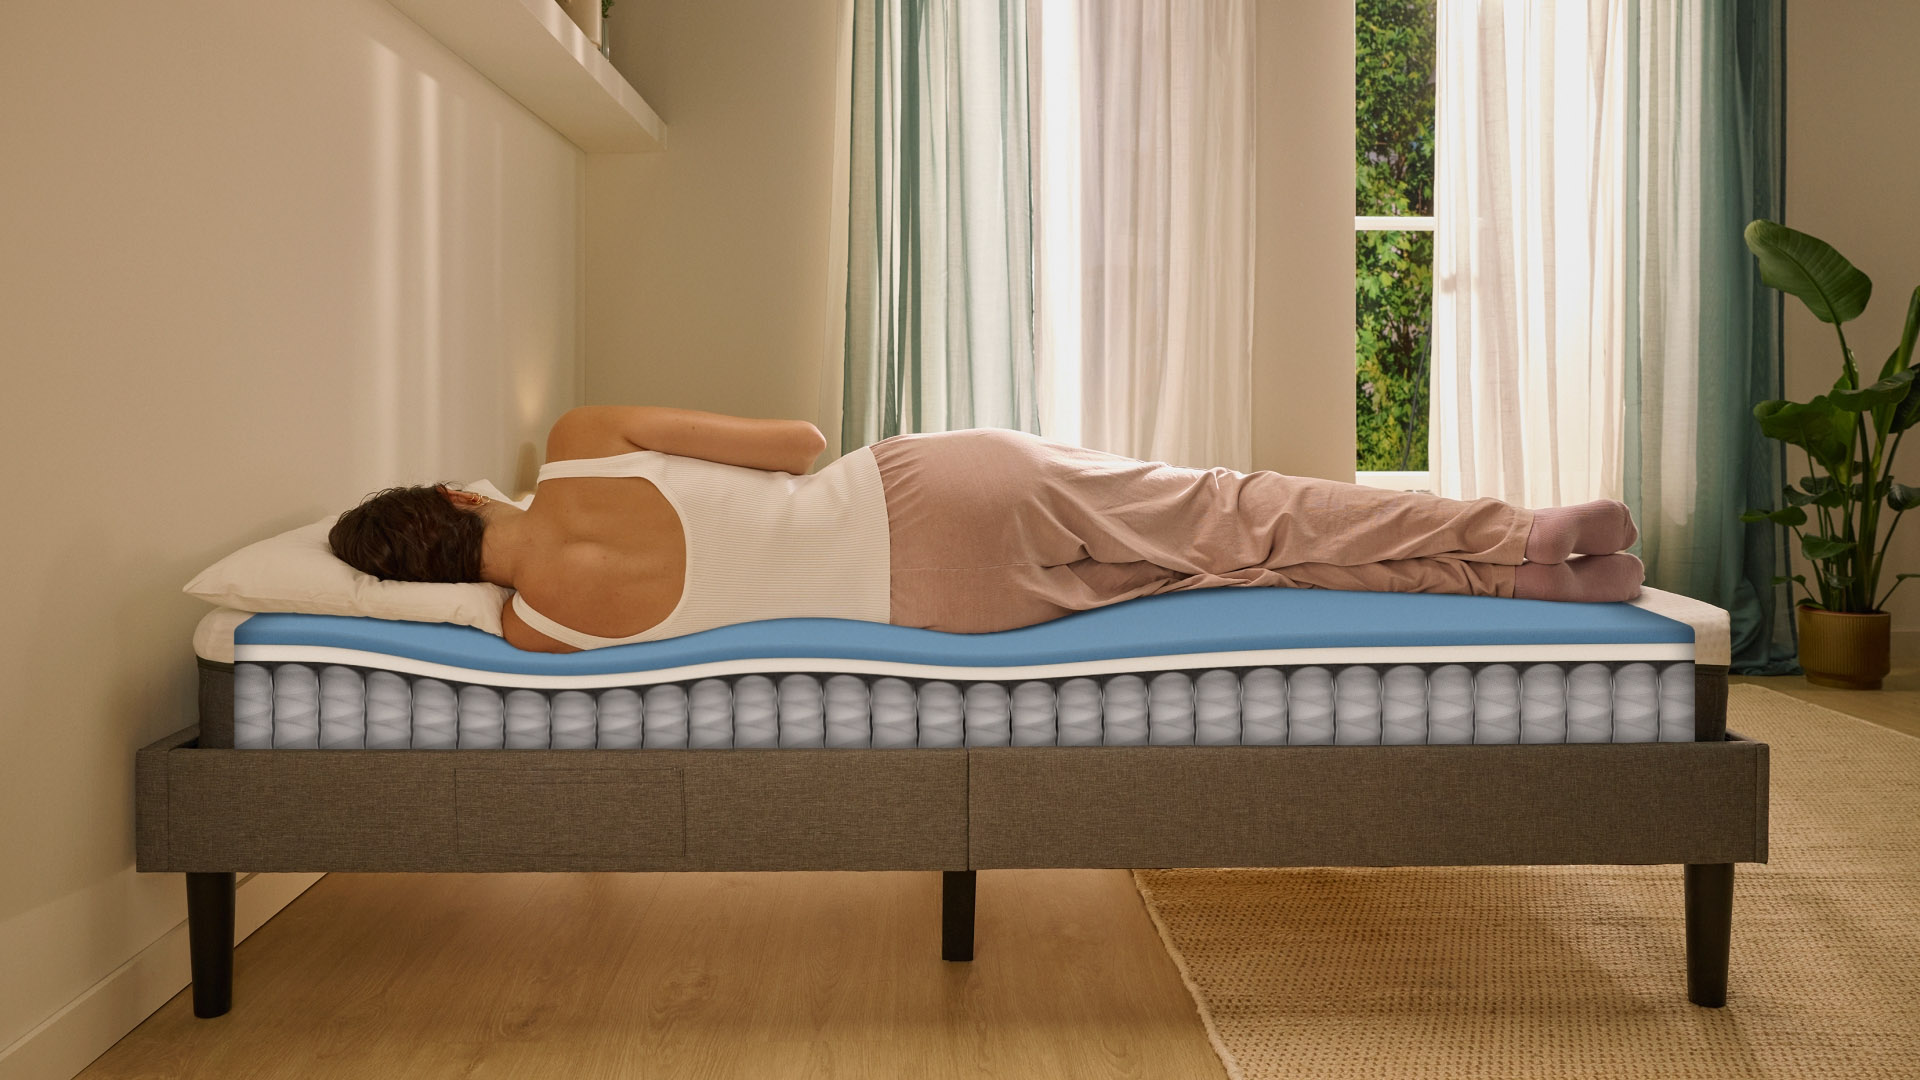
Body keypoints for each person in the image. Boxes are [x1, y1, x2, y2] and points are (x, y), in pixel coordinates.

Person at [328, 406, 1643, 653]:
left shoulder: (535, 632)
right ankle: (1531, 534)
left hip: (941, 610)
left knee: (1240, 562)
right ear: (456, 499)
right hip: (927, 490)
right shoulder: (575, 445)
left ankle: (1529, 581)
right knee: (1247, 513)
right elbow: (796, 444)